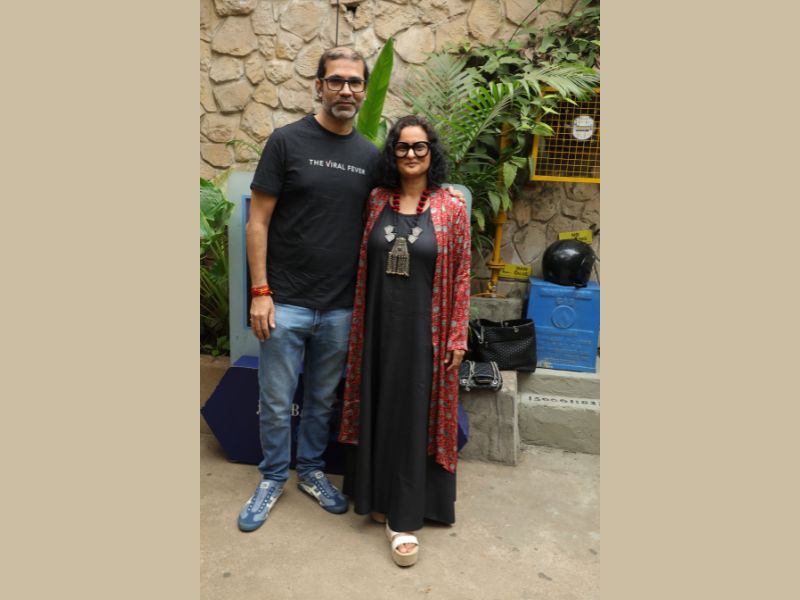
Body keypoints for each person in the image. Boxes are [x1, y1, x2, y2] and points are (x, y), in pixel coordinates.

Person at [237, 47, 381, 532]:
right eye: (336, 80)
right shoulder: (286, 142)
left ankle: (313, 472)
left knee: (322, 400)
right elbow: (257, 221)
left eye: (354, 82)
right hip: (285, 302)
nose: (346, 90)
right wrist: (260, 291)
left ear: (364, 91)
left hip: (341, 307)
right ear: (318, 86)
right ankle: (274, 476)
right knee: (277, 401)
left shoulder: (370, 157)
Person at [338, 115, 471, 567]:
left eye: (419, 147)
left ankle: (405, 517)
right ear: (392, 153)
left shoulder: (451, 207)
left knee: (413, 417)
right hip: (376, 329)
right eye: (402, 147)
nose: (411, 154)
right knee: (378, 409)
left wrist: (457, 334)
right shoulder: (377, 200)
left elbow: (462, 275)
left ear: (432, 151)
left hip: (425, 334)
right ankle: (377, 496)